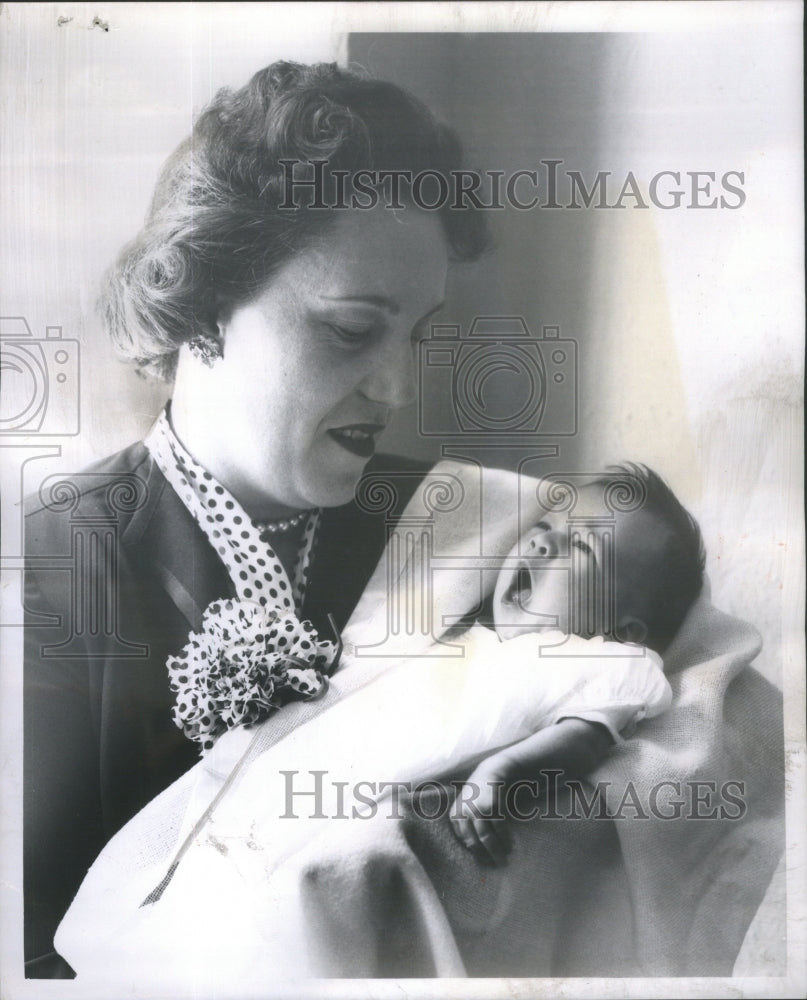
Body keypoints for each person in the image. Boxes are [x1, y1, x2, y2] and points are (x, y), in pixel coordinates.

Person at [22, 59, 489, 977]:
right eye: (351, 331)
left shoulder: (463, 522)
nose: (397, 388)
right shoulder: (43, 564)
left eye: (417, 335)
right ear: (201, 309)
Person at [450, 463, 705, 864]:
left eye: (583, 547)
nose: (542, 543)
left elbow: (585, 737)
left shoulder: (606, 661)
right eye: (543, 526)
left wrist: (503, 771)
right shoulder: (473, 637)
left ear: (623, 631)